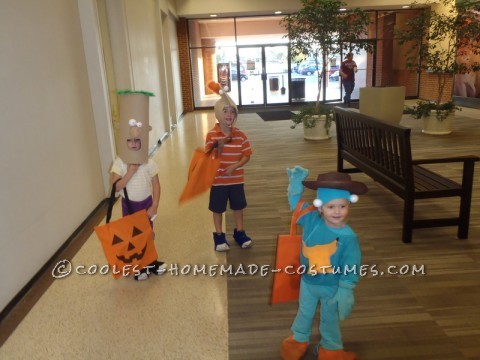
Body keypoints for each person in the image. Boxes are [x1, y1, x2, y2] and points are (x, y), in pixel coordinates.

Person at [280, 167, 368, 360]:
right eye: (331, 207)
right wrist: (295, 184)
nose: (337, 211)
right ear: (320, 207)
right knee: (304, 312)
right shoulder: (311, 220)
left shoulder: (348, 237)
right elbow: (295, 203)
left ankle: (331, 348)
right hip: (308, 283)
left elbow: (352, 264)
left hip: (332, 287)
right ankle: (298, 340)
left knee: (330, 319)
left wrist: (345, 289)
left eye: (342, 206)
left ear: (349, 205)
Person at [205, 81, 253, 252]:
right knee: (218, 209)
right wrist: (220, 145)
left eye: (232, 112)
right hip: (218, 181)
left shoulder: (240, 135)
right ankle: (219, 236)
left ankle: (240, 232)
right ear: (218, 114)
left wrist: (235, 166)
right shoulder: (212, 135)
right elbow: (209, 157)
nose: (229, 115)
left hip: (236, 180)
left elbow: (247, 155)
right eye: (225, 111)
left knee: (238, 207)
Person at [111, 159, 167, 281]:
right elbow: (116, 186)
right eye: (130, 141)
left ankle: (151, 261)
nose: (134, 144)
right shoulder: (120, 162)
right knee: (133, 237)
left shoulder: (149, 162)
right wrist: (130, 171)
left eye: (138, 141)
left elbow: (156, 184)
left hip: (146, 204)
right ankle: (138, 266)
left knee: (148, 233)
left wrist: (155, 205)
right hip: (129, 205)